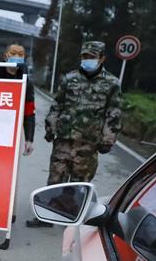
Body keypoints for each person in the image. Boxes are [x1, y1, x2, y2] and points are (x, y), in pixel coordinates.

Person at [27, 40, 122, 227]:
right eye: (84, 57)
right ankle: (47, 216)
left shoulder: (111, 84)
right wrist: (50, 127)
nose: (87, 60)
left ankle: (72, 218)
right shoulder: (70, 79)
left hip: (88, 143)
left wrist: (107, 140)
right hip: (64, 140)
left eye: (92, 57)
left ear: (102, 58)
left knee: (80, 184)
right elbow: (57, 105)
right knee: (55, 179)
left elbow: (114, 113)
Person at [0, 43, 36, 156]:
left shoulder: (26, 83)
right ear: (5, 56)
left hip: (11, 134)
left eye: (20, 54)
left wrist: (29, 139)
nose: (17, 56)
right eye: (13, 53)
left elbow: (29, 112)